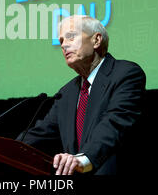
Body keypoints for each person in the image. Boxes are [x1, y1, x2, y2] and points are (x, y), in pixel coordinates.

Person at [19, 15, 146, 175]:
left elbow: (114, 123)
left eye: (71, 37)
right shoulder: (66, 92)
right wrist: (3, 148)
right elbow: (40, 134)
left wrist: (83, 159)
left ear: (96, 40)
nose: (64, 45)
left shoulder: (126, 74)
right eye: (61, 41)